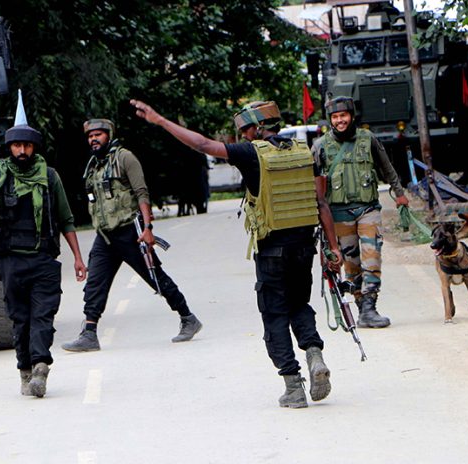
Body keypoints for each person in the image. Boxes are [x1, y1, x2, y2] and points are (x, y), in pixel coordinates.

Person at [130, 99, 343, 409]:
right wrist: (333, 249)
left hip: (272, 250)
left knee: (274, 315)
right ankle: (314, 355)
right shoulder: (303, 151)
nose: (243, 136)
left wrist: (160, 120)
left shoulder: (251, 153)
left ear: (258, 128)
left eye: (246, 130)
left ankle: (293, 386)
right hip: (304, 248)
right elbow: (321, 204)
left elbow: (203, 144)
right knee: (299, 304)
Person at [0, 91, 87, 397]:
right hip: (11, 261)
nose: (22, 150)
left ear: (34, 147)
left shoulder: (49, 177)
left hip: (44, 259)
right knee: (20, 321)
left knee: (43, 317)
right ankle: (25, 369)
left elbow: (66, 219)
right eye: (17, 145)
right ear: (9, 148)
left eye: (27, 145)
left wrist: (78, 258)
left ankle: (41, 368)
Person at [61, 118, 202, 352]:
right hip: (105, 236)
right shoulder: (93, 166)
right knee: (94, 284)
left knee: (155, 277)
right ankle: (89, 333)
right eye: (90, 136)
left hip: (130, 232)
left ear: (109, 135)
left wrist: (148, 229)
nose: (94, 139)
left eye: (98, 134)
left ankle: (188, 318)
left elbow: (141, 193)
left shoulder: (125, 158)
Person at [311, 96, 409, 328]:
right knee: (351, 265)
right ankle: (361, 306)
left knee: (372, 257)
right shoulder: (320, 146)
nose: (340, 120)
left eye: (343, 115)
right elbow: (311, 182)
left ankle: (370, 307)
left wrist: (400, 194)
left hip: (368, 209)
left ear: (351, 116)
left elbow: (387, 168)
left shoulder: (368, 139)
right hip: (338, 214)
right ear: (330, 120)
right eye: (335, 117)